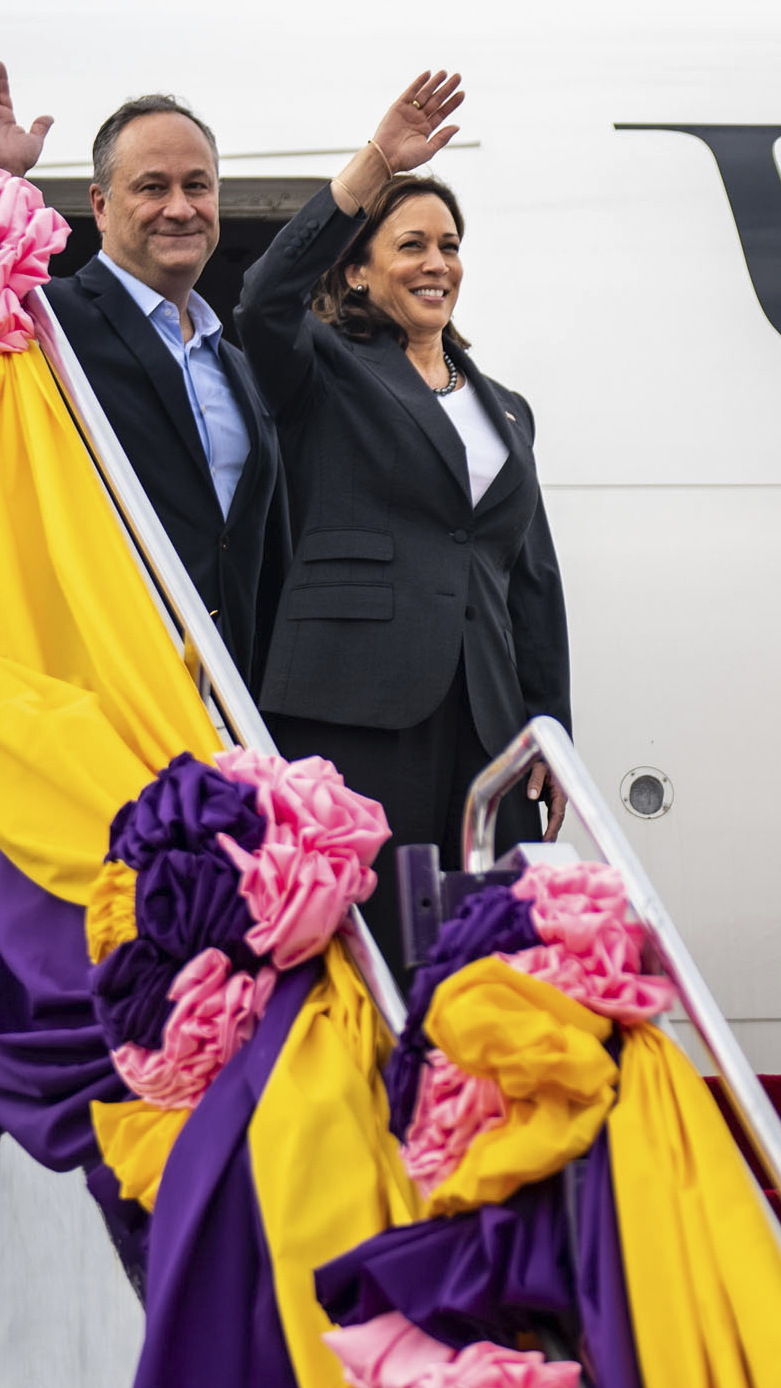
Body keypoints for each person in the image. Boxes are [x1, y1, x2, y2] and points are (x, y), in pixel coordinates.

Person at [232, 71, 571, 885]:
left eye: (449, 245)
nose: (437, 264)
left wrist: (550, 730)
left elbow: (532, 582)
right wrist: (374, 165)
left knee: (477, 939)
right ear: (357, 271)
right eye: (411, 244)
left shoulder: (508, 411)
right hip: (352, 702)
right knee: (372, 930)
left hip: (484, 719)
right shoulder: (322, 372)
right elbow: (262, 300)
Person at [0, 55, 287, 679]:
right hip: (98, 681)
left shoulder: (236, 364)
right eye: (152, 187)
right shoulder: (46, 322)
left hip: (230, 697)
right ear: (100, 207)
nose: (180, 207)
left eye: (197, 186)